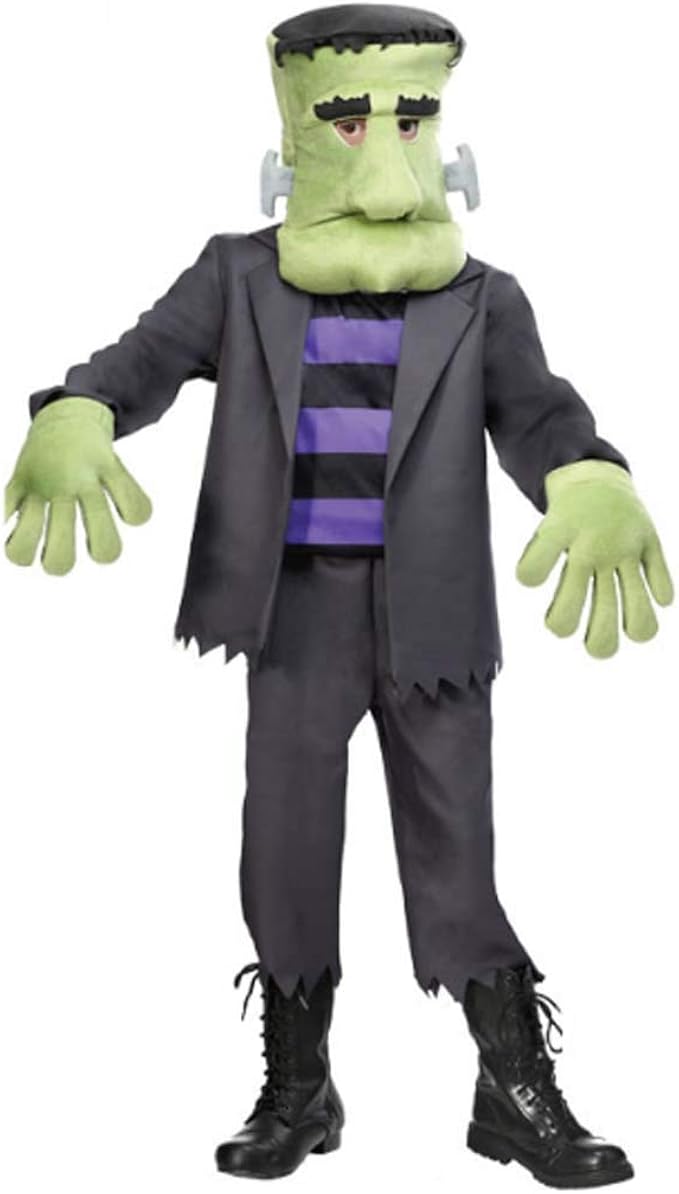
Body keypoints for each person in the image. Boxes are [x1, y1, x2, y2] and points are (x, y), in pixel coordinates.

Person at [5, 5, 673, 1187]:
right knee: (285, 843)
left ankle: (511, 1086)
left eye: (408, 118)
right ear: (301, 131)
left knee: (456, 847)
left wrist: (586, 475)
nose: (383, 146)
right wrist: (77, 410)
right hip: (295, 613)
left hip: (433, 613)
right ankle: (299, 1085)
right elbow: (138, 363)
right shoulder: (238, 275)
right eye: (351, 119)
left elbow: (538, 415)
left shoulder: (481, 297)